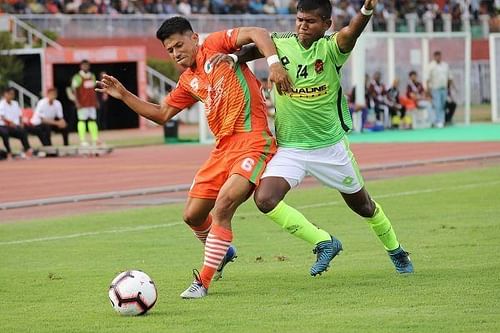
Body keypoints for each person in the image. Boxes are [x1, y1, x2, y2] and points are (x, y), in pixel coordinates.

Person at [214, 0, 413, 276]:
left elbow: (351, 33)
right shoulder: (282, 43)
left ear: (326, 24)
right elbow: (257, 46)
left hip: (330, 148)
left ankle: (396, 251)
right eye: (299, 20)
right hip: (291, 148)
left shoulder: (331, 48)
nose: (302, 26)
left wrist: (366, 10)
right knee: (265, 199)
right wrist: (235, 58)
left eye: (310, 21)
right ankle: (324, 242)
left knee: (364, 206)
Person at [96, 16, 291, 299]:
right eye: (170, 50)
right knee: (192, 215)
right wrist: (125, 95)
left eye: (179, 45)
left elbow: (257, 32)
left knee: (223, 206)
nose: (176, 53)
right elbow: (161, 114)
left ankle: (204, 281)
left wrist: (275, 65)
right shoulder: (188, 81)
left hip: (253, 142)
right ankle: (222, 252)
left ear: (194, 38)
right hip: (222, 150)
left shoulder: (214, 44)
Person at [70, 59, 100, 146]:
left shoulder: (92, 76)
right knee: (82, 120)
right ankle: (83, 140)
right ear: (81, 66)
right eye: (84, 65)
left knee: (92, 120)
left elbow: (94, 90)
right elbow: (74, 90)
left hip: (91, 103)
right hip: (82, 103)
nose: (85, 67)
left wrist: (96, 101)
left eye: (87, 65)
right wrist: (77, 102)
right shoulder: (77, 77)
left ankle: (95, 139)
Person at [0, 87, 32, 158]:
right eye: (10, 94)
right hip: (3, 126)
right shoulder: (1, 104)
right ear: (5, 94)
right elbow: (2, 117)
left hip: (14, 126)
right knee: (4, 133)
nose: (11, 96)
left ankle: (27, 149)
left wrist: (21, 123)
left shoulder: (15, 103)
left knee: (23, 131)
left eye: (13, 94)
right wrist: (10, 122)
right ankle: (9, 152)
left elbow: (20, 115)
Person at [427, 51, 451, 128]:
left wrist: (449, 88)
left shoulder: (445, 65)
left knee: (443, 105)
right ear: (434, 57)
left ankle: (442, 120)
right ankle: (438, 121)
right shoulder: (431, 66)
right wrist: (428, 90)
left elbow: (449, 77)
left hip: (444, 88)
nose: (438, 57)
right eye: (436, 56)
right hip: (435, 89)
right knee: (437, 105)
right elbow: (427, 79)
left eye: (439, 56)